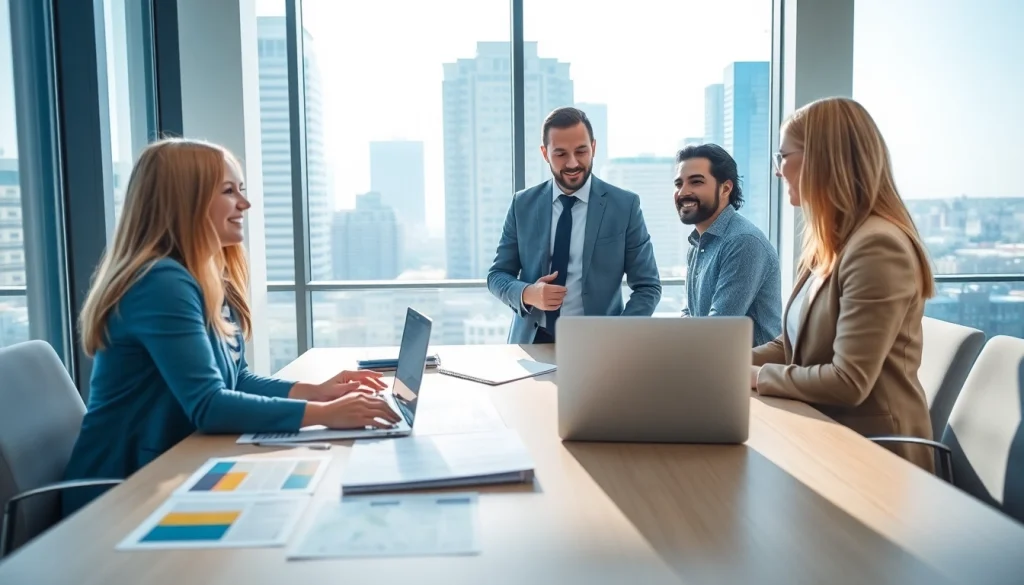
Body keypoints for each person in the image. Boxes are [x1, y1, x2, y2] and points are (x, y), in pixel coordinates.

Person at [62, 138, 401, 516]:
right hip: (119, 495)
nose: (245, 204)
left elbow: (234, 380)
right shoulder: (160, 283)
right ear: (184, 201)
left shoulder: (202, 275)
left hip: (168, 470)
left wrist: (317, 393)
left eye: (241, 190)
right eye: (228, 191)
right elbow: (209, 405)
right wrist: (324, 414)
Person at [750, 97, 936, 472]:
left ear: (822, 158)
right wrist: (719, 361)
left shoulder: (877, 246)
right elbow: (793, 346)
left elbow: (848, 381)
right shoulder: (831, 243)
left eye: (783, 156)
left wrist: (755, 377)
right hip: (826, 436)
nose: (778, 171)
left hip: (877, 457)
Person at [487, 107, 662, 343]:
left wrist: (621, 334)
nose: (572, 163)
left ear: (594, 148)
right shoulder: (523, 204)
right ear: (545, 153)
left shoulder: (625, 206)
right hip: (532, 339)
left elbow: (648, 287)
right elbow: (497, 275)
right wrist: (528, 293)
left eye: (581, 151)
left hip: (601, 343)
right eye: (560, 154)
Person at [675, 144, 782, 346]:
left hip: (748, 372)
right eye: (678, 184)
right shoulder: (697, 243)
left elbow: (718, 328)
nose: (683, 192)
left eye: (696, 182)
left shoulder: (743, 241)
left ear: (725, 188)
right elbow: (690, 314)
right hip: (712, 363)